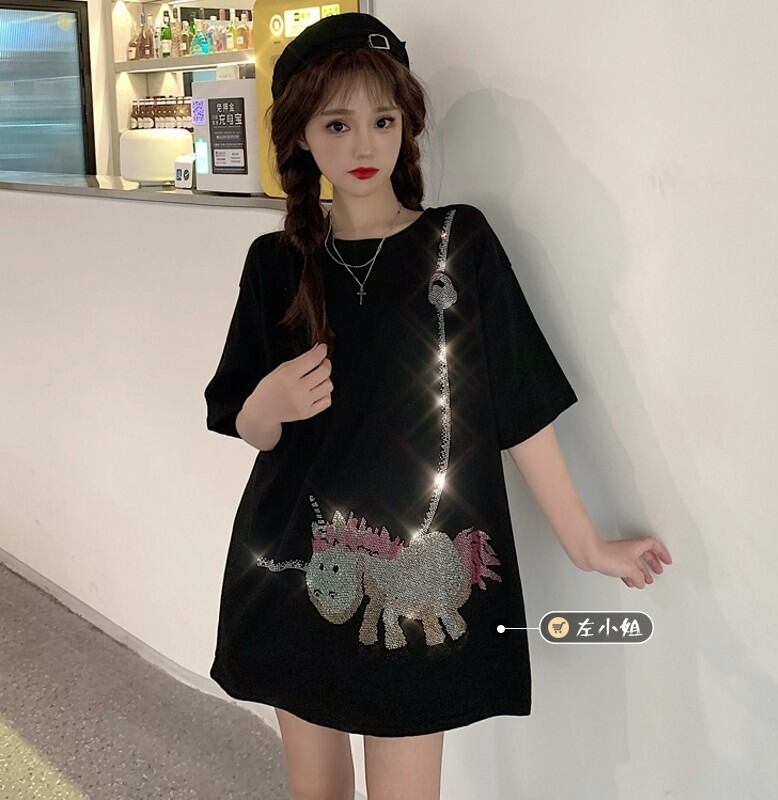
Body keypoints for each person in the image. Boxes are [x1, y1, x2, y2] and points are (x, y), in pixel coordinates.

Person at [203, 11, 673, 800]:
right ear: (301, 136)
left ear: (407, 126)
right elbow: (242, 421)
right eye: (337, 123)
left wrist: (586, 544)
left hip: (416, 578)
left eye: (383, 121)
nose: (364, 144)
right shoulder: (276, 262)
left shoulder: (458, 244)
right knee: (315, 785)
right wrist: (269, 401)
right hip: (295, 562)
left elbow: (519, 404)